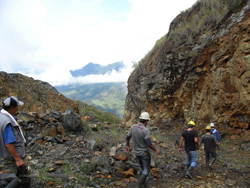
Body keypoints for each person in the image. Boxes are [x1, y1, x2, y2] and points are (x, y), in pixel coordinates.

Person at [0, 96, 31, 188]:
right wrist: (17, 159)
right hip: (14, 155)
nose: (18, 108)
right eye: (17, 106)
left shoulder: (2, 116)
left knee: (23, 177)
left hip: (8, 154)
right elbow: (9, 143)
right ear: (12, 107)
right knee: (25, 177)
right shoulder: (7, 121)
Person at [125, 112, 160, 188]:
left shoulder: (133, 127)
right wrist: (156, 149)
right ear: (146, 121)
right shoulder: (145, 130)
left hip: (136, 152)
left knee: (141, 167)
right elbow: (148, 143)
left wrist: (127, 146)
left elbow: (127, 138)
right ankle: (140, 185)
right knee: (146, 169)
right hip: (144, 153)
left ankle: (143, 183)